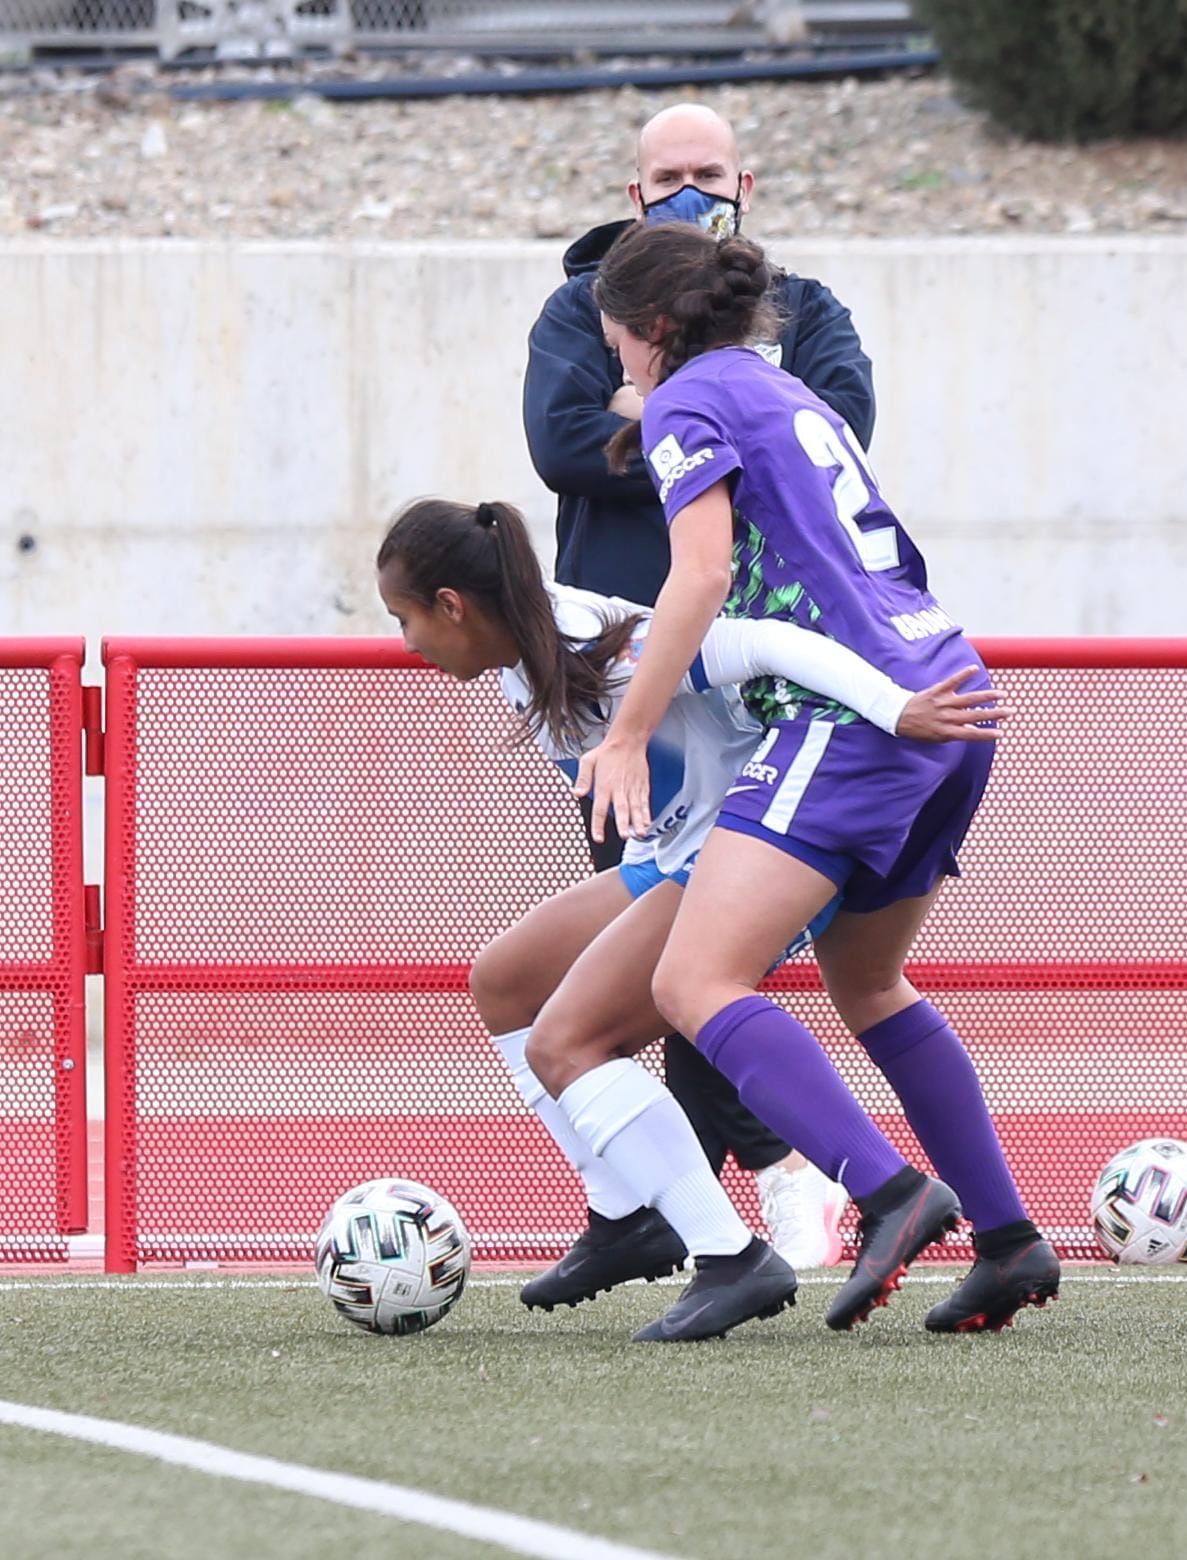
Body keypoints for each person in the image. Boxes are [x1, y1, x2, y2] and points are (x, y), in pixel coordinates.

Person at [565, 220, 1060, 1342]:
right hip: (946, 689)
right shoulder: (780, 389)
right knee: (871, 983)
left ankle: (889, 1193)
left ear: (650, 330)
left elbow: (695, 574)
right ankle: (1007, 1239)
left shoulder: (691, 399)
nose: (617, 367)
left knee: (697, 982)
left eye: (616, 343)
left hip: (859, 714)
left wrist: (632, 728)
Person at [375, 496, 1012, 1329]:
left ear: (452, 606)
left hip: (750, 849)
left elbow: (764, 642)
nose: (406, 642)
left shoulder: (587, 644)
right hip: (676, 855)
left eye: (404, 619)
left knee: (565, 1040)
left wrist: (896, 707)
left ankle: (729, 1254)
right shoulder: (519, 660)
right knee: (504, 982)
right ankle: (627, 1215)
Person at [523, 101, 876, 1264]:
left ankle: (776, 1183)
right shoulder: (581, 305)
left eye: (707, 173)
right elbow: (560, 441)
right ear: (633, 193)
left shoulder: (807, 306)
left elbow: (836, 433)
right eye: (666, 175)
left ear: (746, 184)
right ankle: (647, 1208)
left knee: (701, 962)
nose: (688, 189)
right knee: (628, 959)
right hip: (627, 689)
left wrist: (663, 419)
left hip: (759, 679)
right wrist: (706, 425)